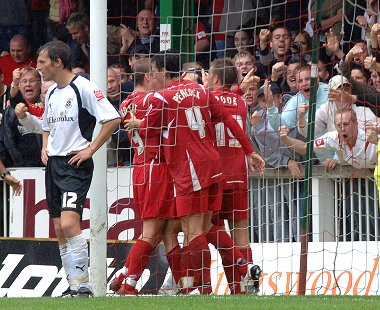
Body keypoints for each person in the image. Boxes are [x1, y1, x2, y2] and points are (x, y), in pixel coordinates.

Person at [125, 50, 265, 294]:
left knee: (192, 232)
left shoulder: (163, 97)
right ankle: (241, 273)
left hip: (188, 169)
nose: (152, 76)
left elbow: (149, 131)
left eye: (154, 71)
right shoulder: (201, 90)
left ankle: (203, 289)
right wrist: (249, 150)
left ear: (161, 72)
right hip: (216, 166)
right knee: (208, 228)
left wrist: (138, 124)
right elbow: (228, 120)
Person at [36, 40, 120, 297]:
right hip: (54, 164)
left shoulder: (83, 87)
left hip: (76, 163)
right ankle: (74, 285)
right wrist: (45, 146)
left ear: (58, 62)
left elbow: (113, 118)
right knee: (60, 227)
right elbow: (47, 125)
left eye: (42, 62)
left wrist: (91, 149)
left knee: (72, 223)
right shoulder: (51, 92)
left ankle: (84, 285)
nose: (38, 67)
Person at [109, 58, 180, 296]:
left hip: (140, 167)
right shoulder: (154, 99)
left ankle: (183, 285)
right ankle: (129, 282)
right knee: (152, 232)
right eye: (156, 73)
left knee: (166, 230)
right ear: (148, 77)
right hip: (155, 167)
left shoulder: (125, 103)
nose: (159, 77)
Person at [207, 58, 262, 293]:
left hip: (217, 178)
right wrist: (239, 88)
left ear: (216, 78)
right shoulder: (240, 102)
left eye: (208, 75)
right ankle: (244, 284)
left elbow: (214, 104)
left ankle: (236, 278)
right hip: (239, 176)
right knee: (241, 233)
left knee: (211, 231)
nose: (206, 78)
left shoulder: (208, 100)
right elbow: (230, 100)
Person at [3, 67, 44, 167]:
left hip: (45, 166)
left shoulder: (47, 107)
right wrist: (19, 165)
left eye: (32, 81)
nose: (28, 84)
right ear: (19, 86)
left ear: (39, 84)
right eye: (24, 81)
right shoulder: (11, 110)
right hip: (19, 168)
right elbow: (7, 139)